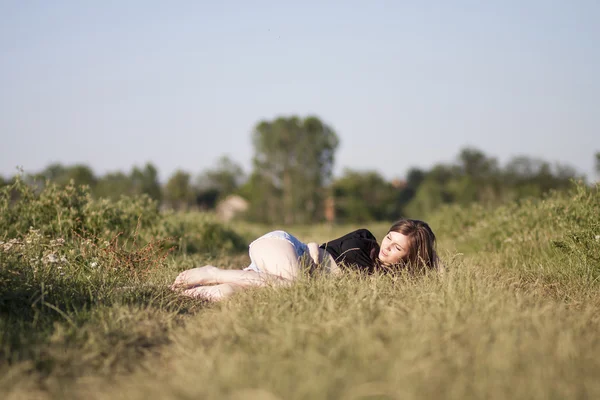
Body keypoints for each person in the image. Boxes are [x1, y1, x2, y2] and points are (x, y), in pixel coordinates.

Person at [170, 218, 439, 301]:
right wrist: (312, 257)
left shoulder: (389, 284)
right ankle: (212, 271)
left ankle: (180, 293)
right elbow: (313, 247)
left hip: (277, 275)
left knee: (228, 296)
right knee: (294, 287)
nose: (387, 248)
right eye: (390, 238)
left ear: (409, 257)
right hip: (284, 249)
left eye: (397, 249)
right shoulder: (365, 240)